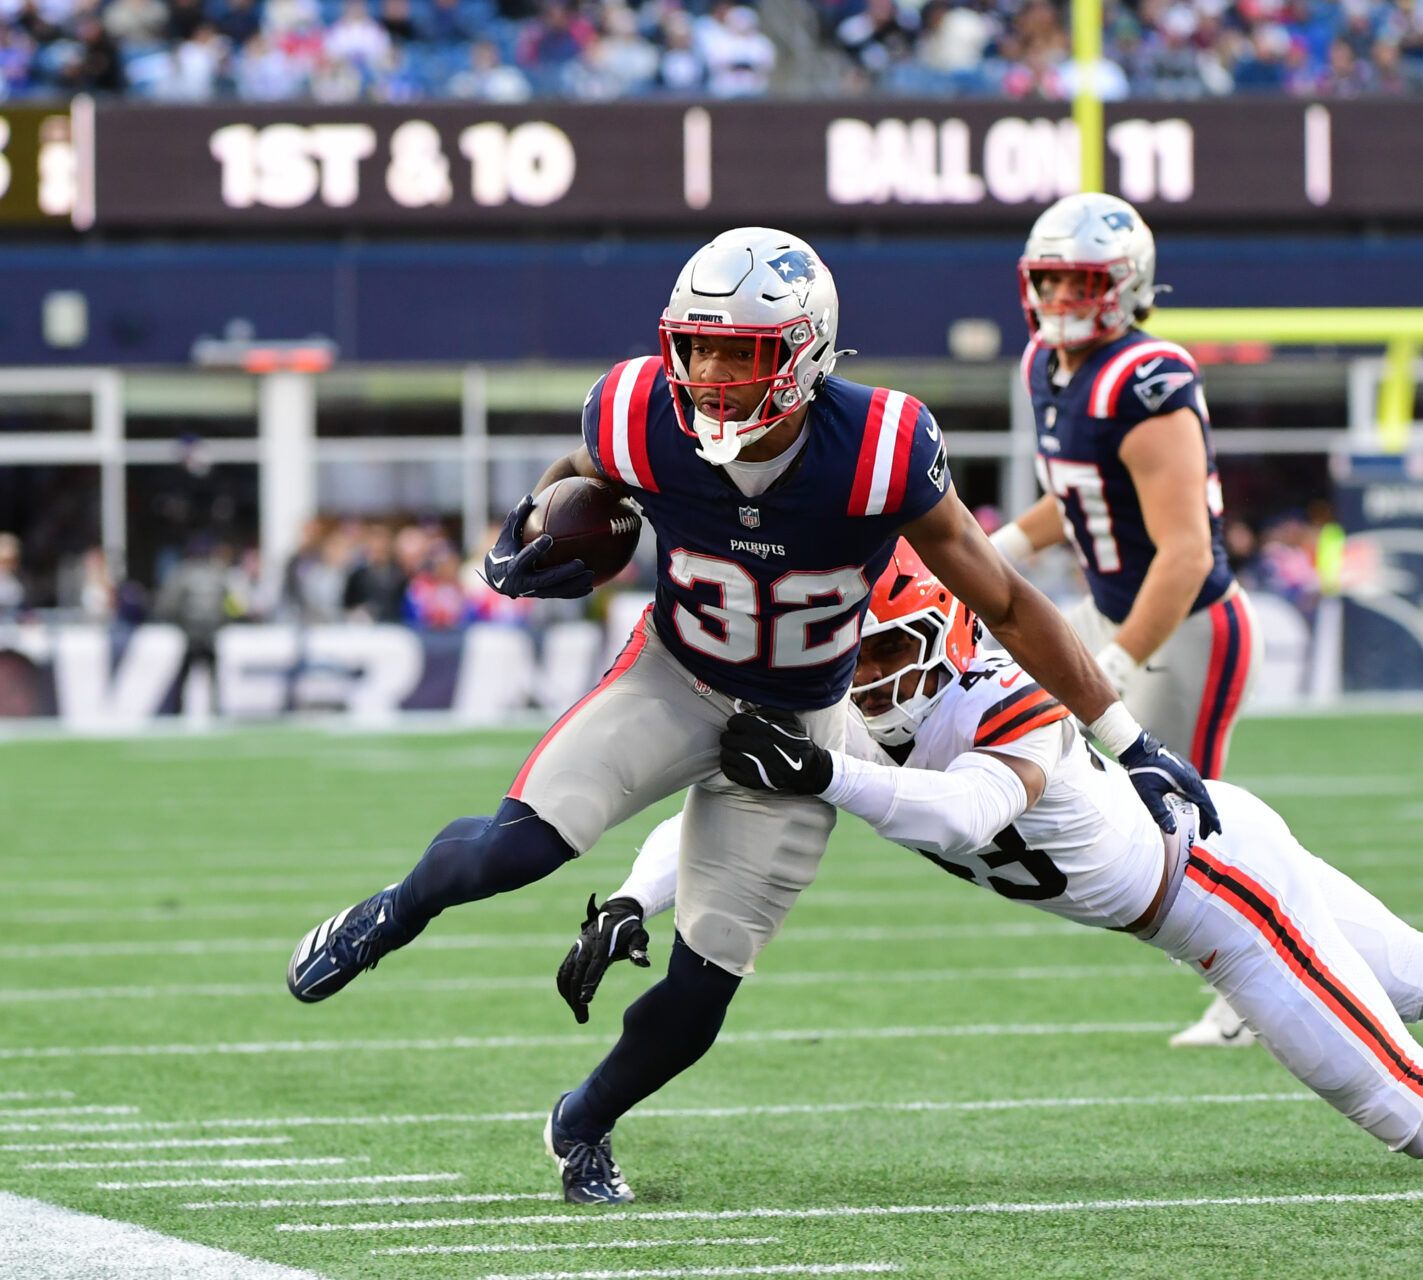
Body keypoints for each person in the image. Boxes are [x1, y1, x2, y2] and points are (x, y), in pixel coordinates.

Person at [283, 228, 1218, 1204]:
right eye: (700, 346)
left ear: (807, 352)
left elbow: (1011, 602)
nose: (716, 374)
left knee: (701, 992)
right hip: (672, 676)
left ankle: (583, 1119)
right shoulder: (642, 405)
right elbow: (587, 461)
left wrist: (1131, 741)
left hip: (797, 725)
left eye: (746, 351)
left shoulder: (882, 445)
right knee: (511, 849)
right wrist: (532, 524)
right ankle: (386, 913)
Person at [560, 546, 1423, 1192]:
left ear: (942, 628)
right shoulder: (857, 715)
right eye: (850, 648)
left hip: (1217, 900)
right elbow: (738, 812)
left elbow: (951, 811)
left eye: (884, 644)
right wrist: (630, 889)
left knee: (1420, 1112)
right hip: (1217, 841)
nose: (861, 670)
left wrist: (824, 774)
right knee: (1422, 972)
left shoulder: (1010, 704)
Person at [991, 193, 1259, 1049]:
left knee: (1193, 820)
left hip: (1183, 627)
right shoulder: (1047, 363)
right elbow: (1078, 496)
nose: (1064, 300)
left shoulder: (1147, 382)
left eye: (1082, 282)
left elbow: (1183, 552)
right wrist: (994, 550)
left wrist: (1114, 661)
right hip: (1109, 609)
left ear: (1126, 284)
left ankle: (1259, 989)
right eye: (1051, 282)